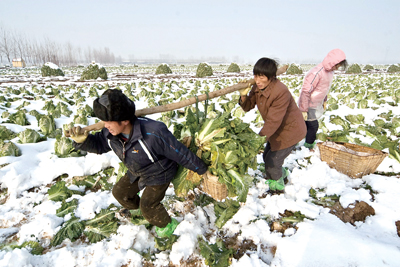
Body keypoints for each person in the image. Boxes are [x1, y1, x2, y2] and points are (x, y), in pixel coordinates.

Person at [65, 89, 211, 238]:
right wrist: (82, 141)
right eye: (104, 121)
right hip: (137, 170)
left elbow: (180, 152)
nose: (105, 125)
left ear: (125, 120)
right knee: (120, 193)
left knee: (149, 206)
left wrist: (202, 169)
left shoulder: (153, 133)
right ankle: (145, 214)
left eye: (109, 122)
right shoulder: (110, 133)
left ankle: (168, 225)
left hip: (160, 172)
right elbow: (99, 145)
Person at [239, 58, 306, 193]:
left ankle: (277, 189)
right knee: (267, 157)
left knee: (273, 161)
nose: (257, 80)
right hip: (276, 130)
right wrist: (243, 95)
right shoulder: (257, 87)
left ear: (271, 77)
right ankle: (282, 174)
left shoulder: (280, 92)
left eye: (261, 76)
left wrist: (257, 141)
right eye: (256, 75)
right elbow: (247, 107)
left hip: (290, 131)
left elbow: (273, 121)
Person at [298, 49, 348, 149]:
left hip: (316, 103)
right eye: (337, 65)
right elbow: (306, 91)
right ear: (332, 62)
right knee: (313, 126)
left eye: (338, 66)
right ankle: (308, 146)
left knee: (305, 125)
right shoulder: (317, 72)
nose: (337, 68)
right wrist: (303, 109)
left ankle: (297, 143)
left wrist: (324, 100)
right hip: (308, 104)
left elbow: (324, 88)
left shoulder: (330, 72)